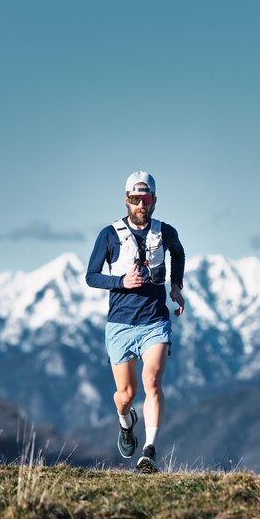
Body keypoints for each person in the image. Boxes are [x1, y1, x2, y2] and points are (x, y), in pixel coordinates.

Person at [86, 171, 185, 473]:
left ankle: (149, 451)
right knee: (126, 396)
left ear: (155, 200)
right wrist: (121, 281)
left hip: (155, 320)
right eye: (136, 199)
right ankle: (126, 422)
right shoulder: (109, 235)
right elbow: (91, 276)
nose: (142, 204)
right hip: (120, 324)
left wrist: (176, 286)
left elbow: (178, 253)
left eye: (148, 198)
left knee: (152, 381)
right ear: (126, 200)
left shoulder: (165, 232)